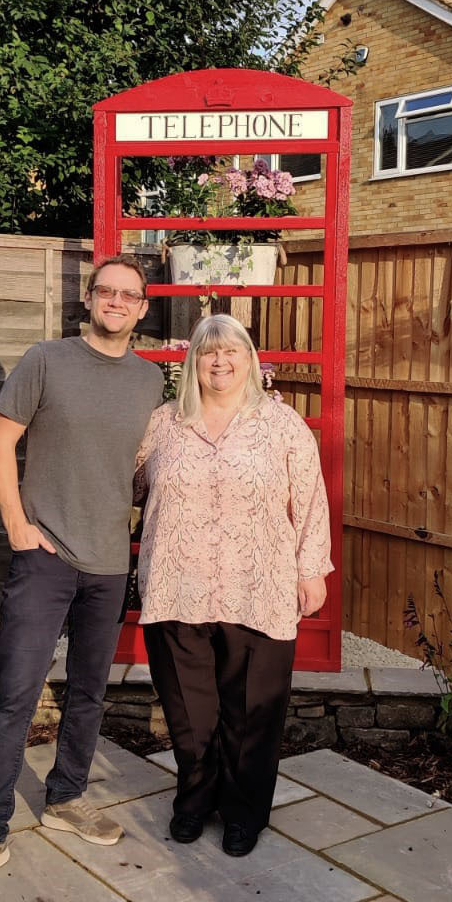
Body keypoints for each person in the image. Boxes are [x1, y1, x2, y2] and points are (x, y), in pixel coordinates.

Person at [0, 256, 163, 896]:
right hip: (45, 554)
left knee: (90, 691)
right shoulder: (46, 359)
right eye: (107, 292)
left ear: (143, 309)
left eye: (130, 295)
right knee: (15, 693)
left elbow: (148, 465)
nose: (117, 302)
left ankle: (66, 797)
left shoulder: (150, 384)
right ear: (88, 299)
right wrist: (16, 523)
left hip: (109, 560)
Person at [135, 314, 331, 857]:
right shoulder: (162, 425)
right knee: (189, 712)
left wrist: (311, 568)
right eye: (207, 353)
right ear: (192, 362)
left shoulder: (282, 424)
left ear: (250, 360)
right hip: (176, 585)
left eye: (232, 352)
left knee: (252, 711)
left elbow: (311, 498)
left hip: (259, 586)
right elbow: (123, 485)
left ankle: (245, 811)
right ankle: (194, 801)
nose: (220, 363)